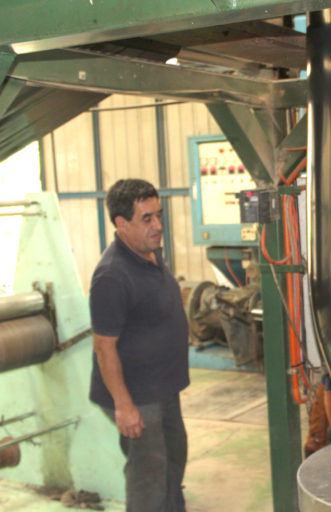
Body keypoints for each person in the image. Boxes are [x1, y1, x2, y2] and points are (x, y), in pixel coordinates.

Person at [89, 179, 190, 512]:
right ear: (121, 224)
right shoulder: (112, 276)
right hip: (137, 397)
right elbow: (104, 348)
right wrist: (124, 406)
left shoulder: (148, 253)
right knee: (149, 479)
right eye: (147, 218)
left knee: (172, 465)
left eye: (158, 215)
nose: (158, 225)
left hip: (162, 390)